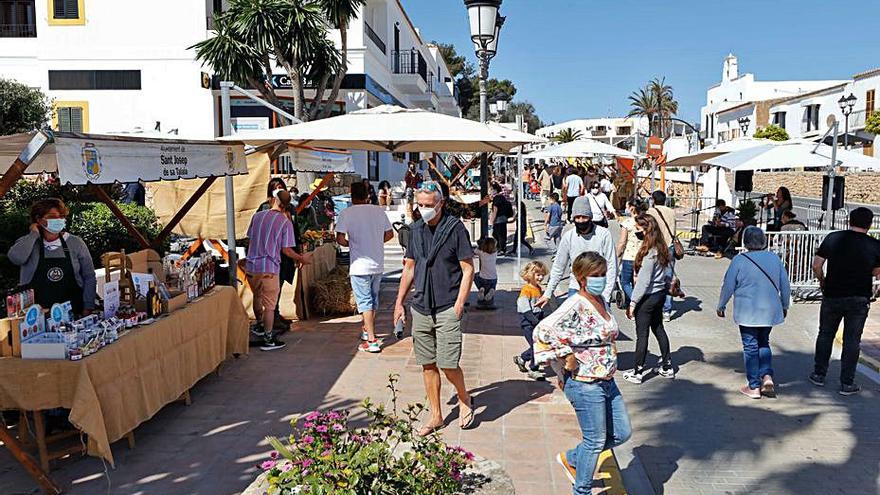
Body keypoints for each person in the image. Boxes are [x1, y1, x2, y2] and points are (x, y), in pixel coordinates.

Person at [533, 252, 631, 494]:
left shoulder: (603, 301)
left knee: (621, 433)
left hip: (607, 380)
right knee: (595, 441)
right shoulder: (574, 305)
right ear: (580, 277)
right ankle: (582, 490)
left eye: (603, 274)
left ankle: (573, 458)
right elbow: (543, 332)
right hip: (585, 384)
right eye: (595, 275)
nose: (600, 279)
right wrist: (567, 357)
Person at [394, 181, 475, 435]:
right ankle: (436, 414)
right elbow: (409, 267)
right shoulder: (415, 230)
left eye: (428, 205)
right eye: (420, 205)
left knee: (448, 364)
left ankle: (464, 398)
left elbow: (468, 268)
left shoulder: (455, 229)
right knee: (428, 364)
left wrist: (460, 304)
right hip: (421, 307)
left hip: (447, 306)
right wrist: (399, 303)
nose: (424, 209)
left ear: (440, 203)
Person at [809, 207, 880, 396]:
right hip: (859, 298)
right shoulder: (875, 245)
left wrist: (822, 280)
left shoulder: (834, 238)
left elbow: (817, 265)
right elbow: (876, 272)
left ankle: (819, 374)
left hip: (833, 294)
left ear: (849, 220)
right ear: (870, 224)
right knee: (852, 341)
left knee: (825, 334)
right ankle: (847, 383)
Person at [717, 226, 791, 399]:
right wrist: (785, 305)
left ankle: (754, 386)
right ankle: (766, 376)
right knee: (764, 342)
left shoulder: (739, 260)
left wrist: (721, 305)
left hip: (748, 312)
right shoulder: (774, 258)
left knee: (750, 346)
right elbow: (785, 285)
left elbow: (728, 285)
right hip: (769, 311)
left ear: (745, 241)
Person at [245, 189, 312, 351]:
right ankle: (268, 339)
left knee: (257, 296)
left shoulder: (257, 216)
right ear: (288, 204)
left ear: (274, 200)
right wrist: (302, 258)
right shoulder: (285, 222)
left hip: (252, 265)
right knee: (269, 306)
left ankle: (259, 326)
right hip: (269, 267)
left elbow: (249, 237)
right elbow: (286, 250)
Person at [8, 198, 97, 317]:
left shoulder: (75, 243)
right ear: (39, 220)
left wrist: (88, 306)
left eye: (61, 216)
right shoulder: (29, 242)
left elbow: (89, 276)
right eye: (52, 216)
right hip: (35, 317)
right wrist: (34, 234)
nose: (58, 219)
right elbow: (16, 258)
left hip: (73, 312)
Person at [335, 182, 394, 353]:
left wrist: (353, 243)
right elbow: (390, 234)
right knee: (373, 301)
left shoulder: (346, 213)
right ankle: (366, 329)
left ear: (351, 194)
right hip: (377, 264)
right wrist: (374, 242)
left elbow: (340, 239)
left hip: (359, 265)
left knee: (365, 302)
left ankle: (372, 340)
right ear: (368, 194)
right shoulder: (378, 211)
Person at [623, 214, 674, 384]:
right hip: (659, 295)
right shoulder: (662, 248)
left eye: (638, 229)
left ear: (646, 230)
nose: (636, 232)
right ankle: (667, 366)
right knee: (658, 328)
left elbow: (643, 282)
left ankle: (638, 371)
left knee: (642, 334)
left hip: (648, 297)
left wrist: (633, 303)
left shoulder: (649, 253)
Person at [538, 197, 617, 307]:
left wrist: (606, 296)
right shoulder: (568, 237)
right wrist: (548, 293)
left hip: (598, 289)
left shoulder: (604, 235)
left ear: (590, 217)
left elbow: (611, 265)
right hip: (576, 288)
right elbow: (558, 267)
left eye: (584, 217)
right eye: (577, 217)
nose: (580, 221)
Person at [514, 261, 549, 381]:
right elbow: (525, 310)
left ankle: (522, 358)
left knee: (538, 345)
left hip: (536, 321)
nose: (540, 277)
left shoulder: (538, 288)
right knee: (536, 346)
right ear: (530, 275)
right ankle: (533, 369)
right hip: (528, 323)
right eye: (537, 275)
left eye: (542, 275)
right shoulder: (526, 290)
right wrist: (535, 321)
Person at [647, 190, 678, 321]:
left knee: (653, 277)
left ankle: (655, 305)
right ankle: (667, 310)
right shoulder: (672, 212)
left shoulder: (651, 212)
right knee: (668, 277)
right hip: (670, 246)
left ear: (653, 199)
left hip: (656, 247)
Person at [616, 199, 647, 306]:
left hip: (629, 257)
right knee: (638, 282)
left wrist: (617, 254)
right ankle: (637, 300)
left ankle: (636, 302)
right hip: (643, 256)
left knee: (625, 282)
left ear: (631, 208)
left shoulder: (627, 223)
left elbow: (622, 242)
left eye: (627, 207)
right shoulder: (646, 222)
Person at [474, 237, 498, 307]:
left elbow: (475, 251)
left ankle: (481, 288)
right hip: (493, 278)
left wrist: (480, 245)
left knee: (475, 276)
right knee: (494, 281)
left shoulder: (481, 253)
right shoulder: (495, 253)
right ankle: (492, 289)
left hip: (482, 278)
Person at [490, 183, 513, 255]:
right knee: (500, 234)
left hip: (498, 219)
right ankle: (501, 248)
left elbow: (495, 210)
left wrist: (492, 220)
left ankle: (501, 249)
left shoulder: (496, 198)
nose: (490, 191)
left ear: (495, 190)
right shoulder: (502, 197)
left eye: (491, 189)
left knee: (498, 235)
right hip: (504, 218)